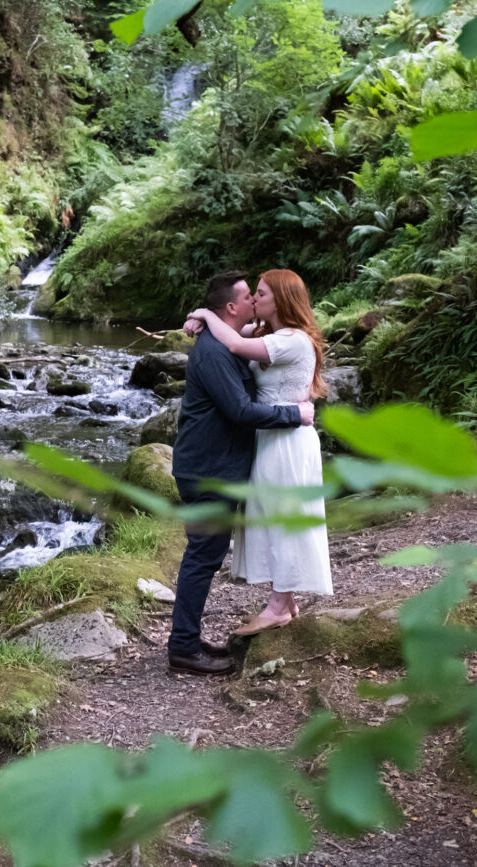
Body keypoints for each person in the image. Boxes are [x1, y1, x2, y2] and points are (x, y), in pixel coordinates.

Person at [168, 271, 315, 676]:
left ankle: (188, 638)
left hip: (215, 465)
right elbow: (241, 411)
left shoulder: (227, 340)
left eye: (258, 294)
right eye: (249, 296)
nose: (254, 300)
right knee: (202, 556)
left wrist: (200, 314)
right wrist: (296, 414)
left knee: (205, 556)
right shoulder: (215, 351)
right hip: (207, 469)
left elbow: (249, 338)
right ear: (232, 307)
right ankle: (182, 647)